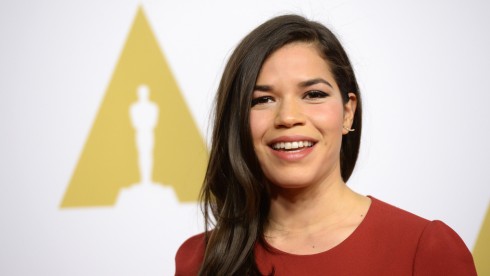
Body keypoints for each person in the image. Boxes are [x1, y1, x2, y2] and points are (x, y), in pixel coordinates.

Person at [175, 14, 477, 275]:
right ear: (237, 121)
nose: (289, 117)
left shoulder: (426, 248)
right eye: (263, 99)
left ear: (348, 112)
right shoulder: (200, 259)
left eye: (314, 94)